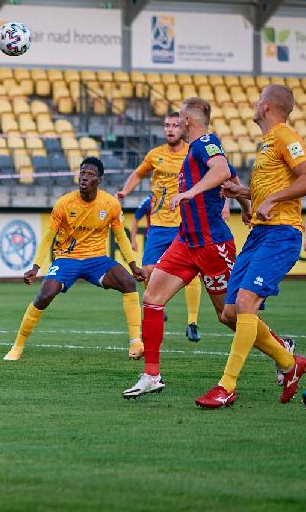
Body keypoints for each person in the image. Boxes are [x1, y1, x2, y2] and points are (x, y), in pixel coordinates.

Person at [121, 96, 280, 400]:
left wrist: (189, 193)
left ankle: (282, 349)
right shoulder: (197, 148)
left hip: (212, 243)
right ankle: (151, 376)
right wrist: (246, 206)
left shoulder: (204, 142)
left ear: (188, 121)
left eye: (178, 118)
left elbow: (221, 171)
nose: (175, 124)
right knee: (152, 298)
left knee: (229, 315)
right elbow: (230, 175)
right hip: (187, 240)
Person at [196, 85, 306, 408]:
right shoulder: (268, 143)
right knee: (230, 312)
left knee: (246, 304)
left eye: (259, 99)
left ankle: (226, 386)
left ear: (268, 106)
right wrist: (243, 192)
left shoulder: (286, 136)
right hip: (259, 234)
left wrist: (272, 199)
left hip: (281, 234)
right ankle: (289, 362)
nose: (255, 104)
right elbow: (274, 187)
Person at [3, 156, 145, 361]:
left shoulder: (110, 204)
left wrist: (133, 265)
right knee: (45, 295)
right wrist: (35, 267)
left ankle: (135, 343)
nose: (84, 177)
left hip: (96, 259)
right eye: (82, 173)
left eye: (90, 174)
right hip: (66, 259)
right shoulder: (64, 203)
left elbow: (121, 236)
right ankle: (17, 347)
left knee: (128, 282)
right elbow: (48, 237)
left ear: (99, 180)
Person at [116, 112, 203, 341]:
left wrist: (222, 204)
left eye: (175, 125)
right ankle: (157, 305)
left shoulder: (192, 152)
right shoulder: (155, 155)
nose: (170, 129)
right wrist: (124, 192)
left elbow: (212, 175)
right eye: (167, 125)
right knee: (147, 271)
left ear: (183, 128)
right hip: (158, 225)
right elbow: (138, 173)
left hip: (183, 223)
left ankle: (192, 322)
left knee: (192, 273)